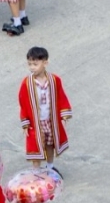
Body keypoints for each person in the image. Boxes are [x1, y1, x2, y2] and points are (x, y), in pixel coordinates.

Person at [17, 45, 71, 173]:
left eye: (35, 64)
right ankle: (36, 171)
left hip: (50, 120)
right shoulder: (26, 83)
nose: (32, 67)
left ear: (45, 63)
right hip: (35, 122)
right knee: (36, 146)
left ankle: (50, 167)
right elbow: (23, 103)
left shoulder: (54, 80)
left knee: (50, 144)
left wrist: (64, 115)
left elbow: (61, 97)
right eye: (29, 64)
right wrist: (25, 122)